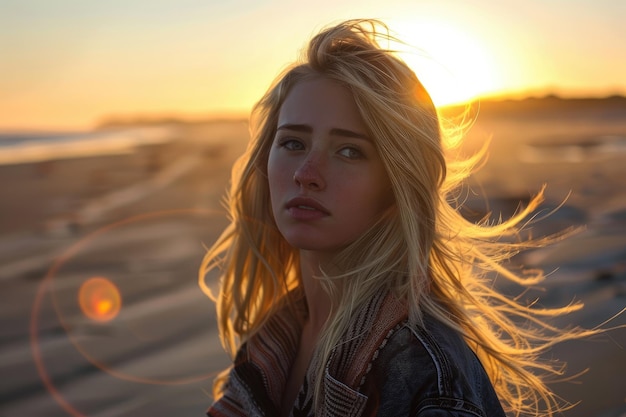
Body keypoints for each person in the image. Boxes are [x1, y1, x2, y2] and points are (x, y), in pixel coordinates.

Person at [199, 19, 588, 417]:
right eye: (293, 143)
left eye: (349, 151)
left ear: (396, 184)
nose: (306, 174)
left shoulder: (426, 372)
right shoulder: (272, 342)